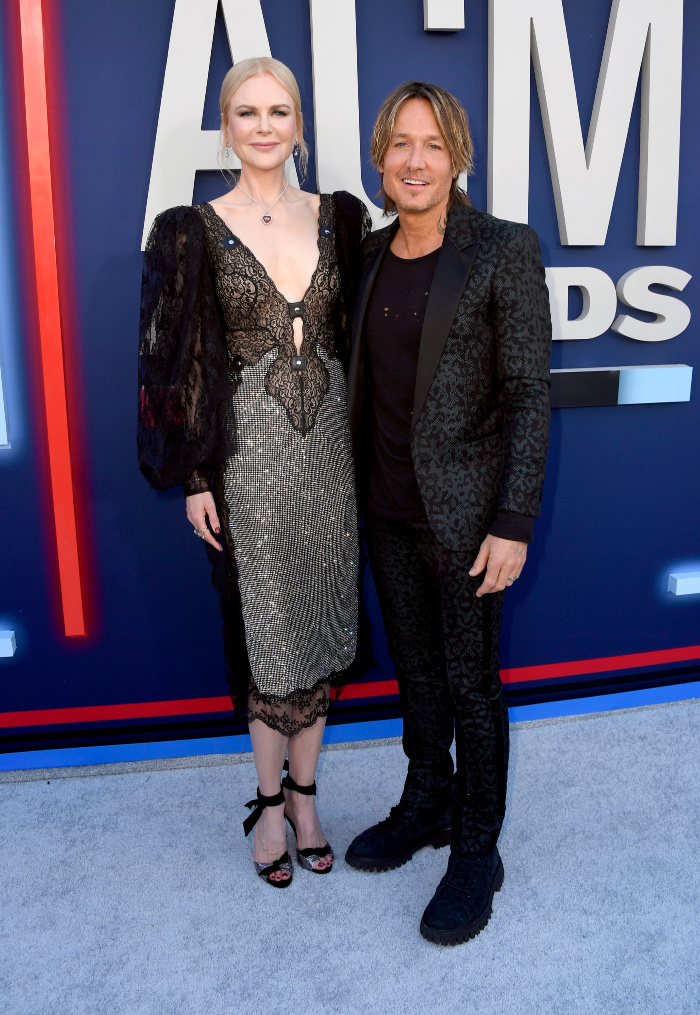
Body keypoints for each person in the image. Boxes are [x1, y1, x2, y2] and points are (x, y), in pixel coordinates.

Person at [138, 57, 371, 888]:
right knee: (268, 641)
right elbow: (175, 366)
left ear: (299, 125)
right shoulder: (191, 229)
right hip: (251, 464)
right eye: (247, 112)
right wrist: (196, 477)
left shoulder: (342, 219)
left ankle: (308, 797)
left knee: (320, 626)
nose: (265, 125)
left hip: (333, 462)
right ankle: (269, 802)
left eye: (280, 111)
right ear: (226, 128)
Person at [345, 82, 551, 943]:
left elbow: (529, 396)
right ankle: (425, 801)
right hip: (385, 513)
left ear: (457, 154)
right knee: (416, 676)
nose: (415, 160)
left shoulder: (503, 249)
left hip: (469, 522)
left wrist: (513, 518)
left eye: (432, 144)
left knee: (472, 686)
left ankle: (477, 847)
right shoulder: (364, 254)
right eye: (400, 144)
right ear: (380, 158)